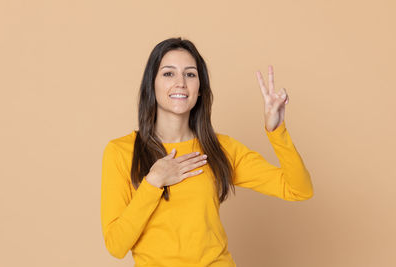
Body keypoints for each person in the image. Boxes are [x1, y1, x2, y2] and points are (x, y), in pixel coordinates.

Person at [100, 37, 314, 266]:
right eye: (168, 73)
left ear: (200, 89)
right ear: (151, 84)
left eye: (190, 74)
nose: (181, 82)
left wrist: (276, 131)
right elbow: (116, 245)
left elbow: (299, 189)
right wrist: (153, 182)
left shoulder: (220, 148)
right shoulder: (121, 152)